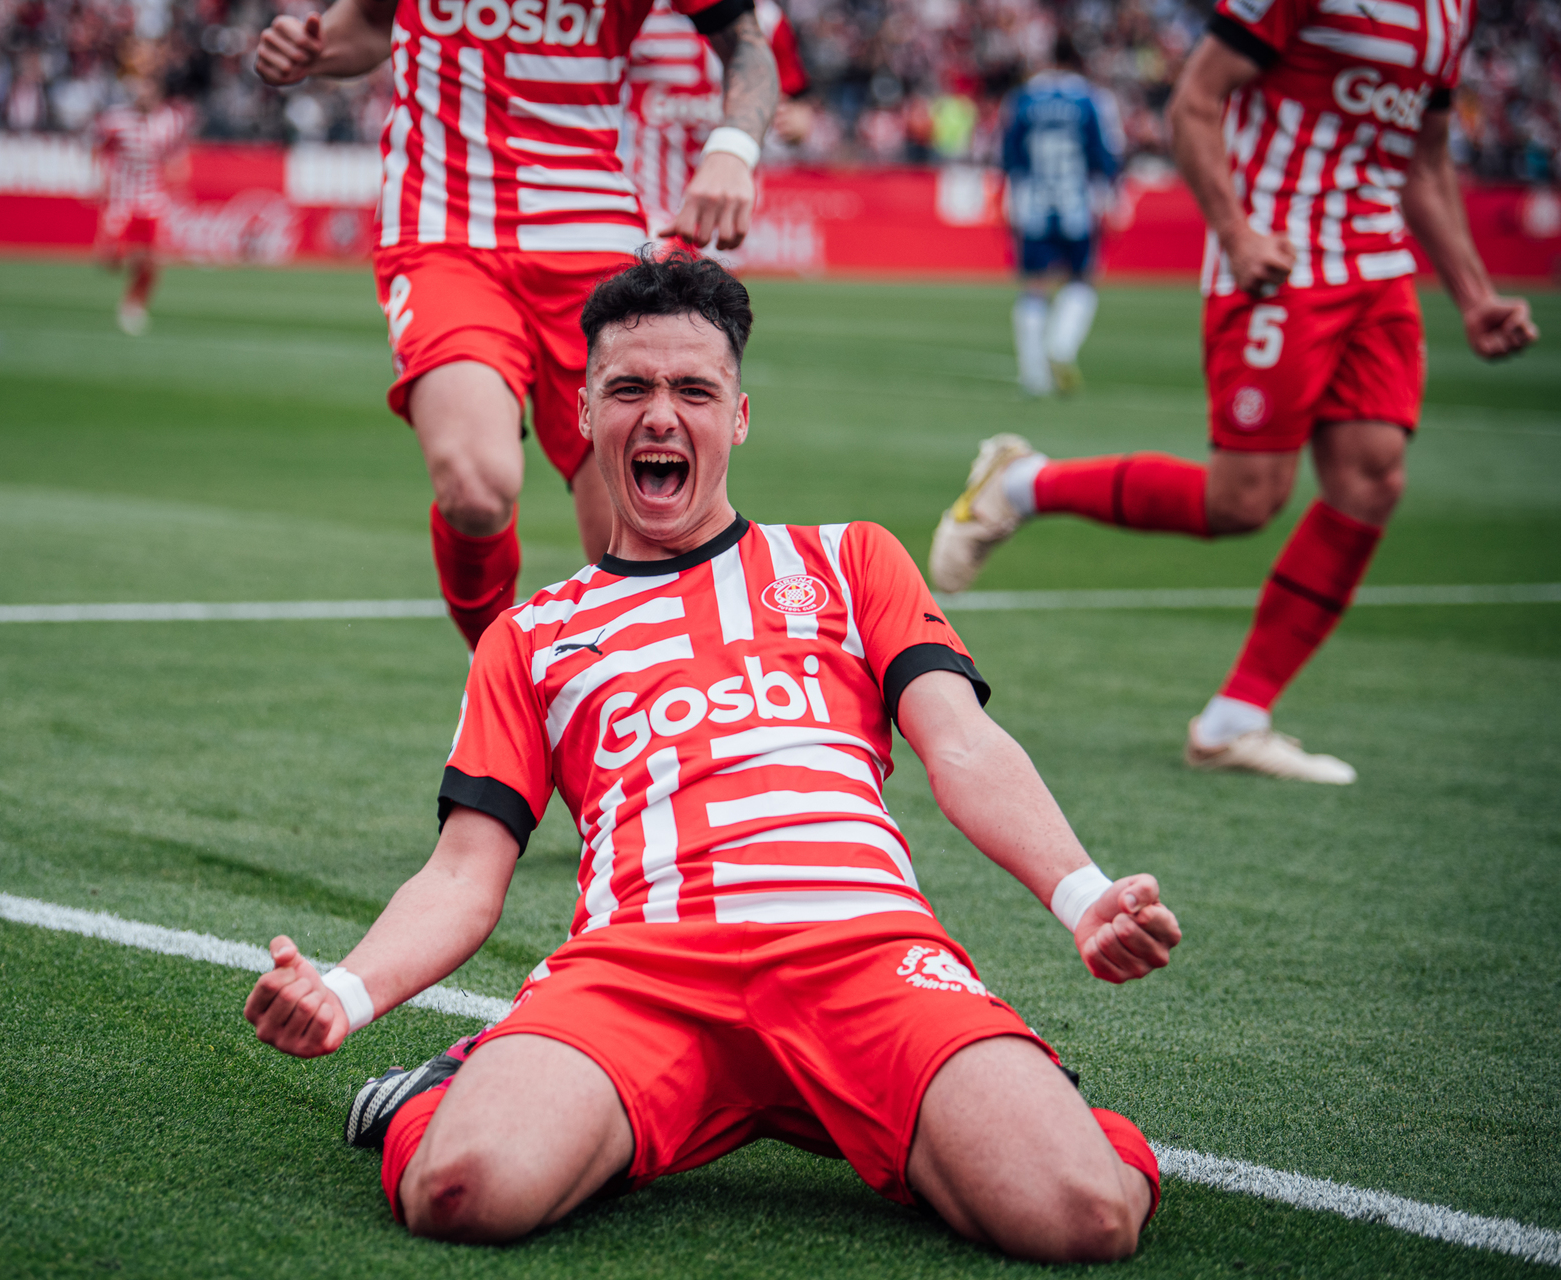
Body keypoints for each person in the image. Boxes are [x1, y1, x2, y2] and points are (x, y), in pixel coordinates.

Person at [244, 254, 1182, 1262]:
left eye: (693, 389)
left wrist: (1082, 892)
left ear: (737, 415)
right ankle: (437, 1091)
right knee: (463, 1192)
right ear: (586, 409)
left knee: (1086, 1216)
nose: (660, 414)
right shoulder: (529, 635)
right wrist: (345, 993)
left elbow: (961, 740)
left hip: (862, 954)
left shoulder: (849, 558)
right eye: (630, 388)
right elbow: (467, 874)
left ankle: (1044, 1102)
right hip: (637, 972)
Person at [929, 0, 1538, 783]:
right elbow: (1194, 101)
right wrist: (1236, 233)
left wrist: (1475, 293)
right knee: (1243, 501)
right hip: (1279, 261)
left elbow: (1424, 161)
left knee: (1373, 478)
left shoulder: (1453, 11)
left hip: (1379, 270)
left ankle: (1234, 719)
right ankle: (1020, 483)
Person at [253, 0, 779, 648]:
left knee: (640, 531)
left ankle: (627, 726)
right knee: (476, 484)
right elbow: (368, 21)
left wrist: (732, 148)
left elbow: (747, 43)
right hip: (445, 230)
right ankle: (500, 684)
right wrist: (309, 50)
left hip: (591, 233)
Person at [619, 0, 807, 241]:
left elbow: (797, 100)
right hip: (648, 197)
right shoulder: (635, 11)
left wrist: (798, 123)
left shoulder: (768, 19)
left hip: (729, 198)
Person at [999, 33, 1121, 397]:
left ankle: (1033, 374)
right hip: (1076, 202)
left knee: (1033, 284)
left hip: (1032, 200)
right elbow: (1104, 153)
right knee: (1082, 279)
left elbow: (1008, 155)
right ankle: (1061, 347)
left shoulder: (1022, 99)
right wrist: (1112, 196)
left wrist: (1010, 198)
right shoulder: (1091, 99)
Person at [90, 39, 193, 337]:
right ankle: (119, 259)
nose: (143, 93)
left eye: (148, 87)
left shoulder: (169, 121)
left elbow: (176, 156)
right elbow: (99, 149)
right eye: (140, 87)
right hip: (121, 199)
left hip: (151, 197)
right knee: (111, 260)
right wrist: (101, 180)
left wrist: (178, 182)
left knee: (151, 260)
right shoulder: (116, 120)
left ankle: (133, 305)